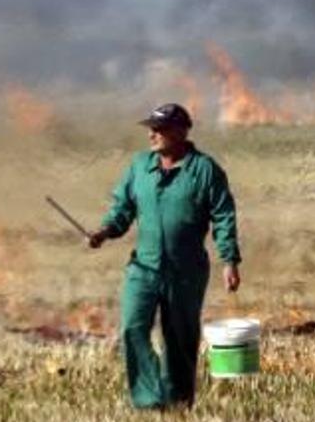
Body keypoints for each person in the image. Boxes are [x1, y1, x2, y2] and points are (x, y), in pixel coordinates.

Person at [88, 103, 242, 410]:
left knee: (179, 337)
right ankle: (148, 400)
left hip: (185, 271)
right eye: (150, 129)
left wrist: (230, 261)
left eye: (159, 129)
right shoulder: (139, 166)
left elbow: (224, 216)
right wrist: (105, 231)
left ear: (181, 131)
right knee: (132, 328)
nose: (151, 135)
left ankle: (178, 401)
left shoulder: (204, 170)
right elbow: (123, 208)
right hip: (143, 268)